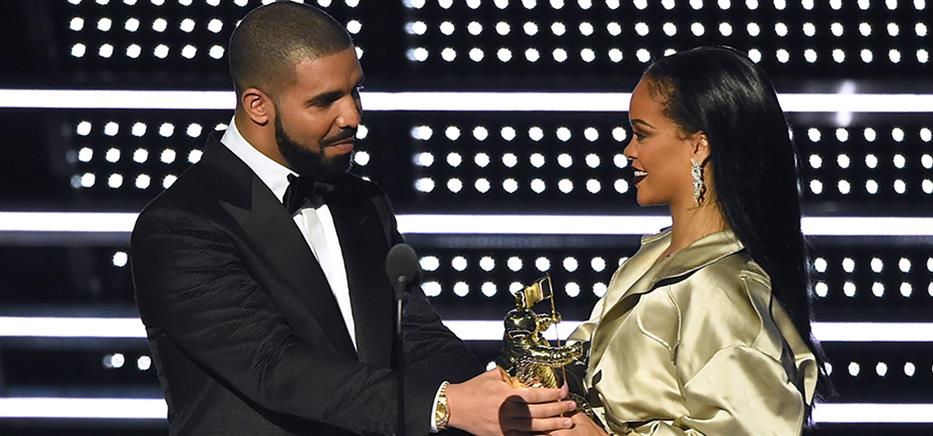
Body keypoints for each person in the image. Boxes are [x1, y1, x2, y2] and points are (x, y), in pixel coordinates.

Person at [130, 3, 575, 434]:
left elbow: (415, 335)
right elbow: (274, 367)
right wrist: (445, 405)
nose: (352, 116)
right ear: (258, 106)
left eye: (354, 91)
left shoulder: (362, 201)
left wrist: (502, 401)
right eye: (325, 102)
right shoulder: (180, 225)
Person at [557, 47, 832, 435]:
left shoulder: (720, 291)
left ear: (699, 145)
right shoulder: (654, 257)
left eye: (642, 134)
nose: (629, 151)